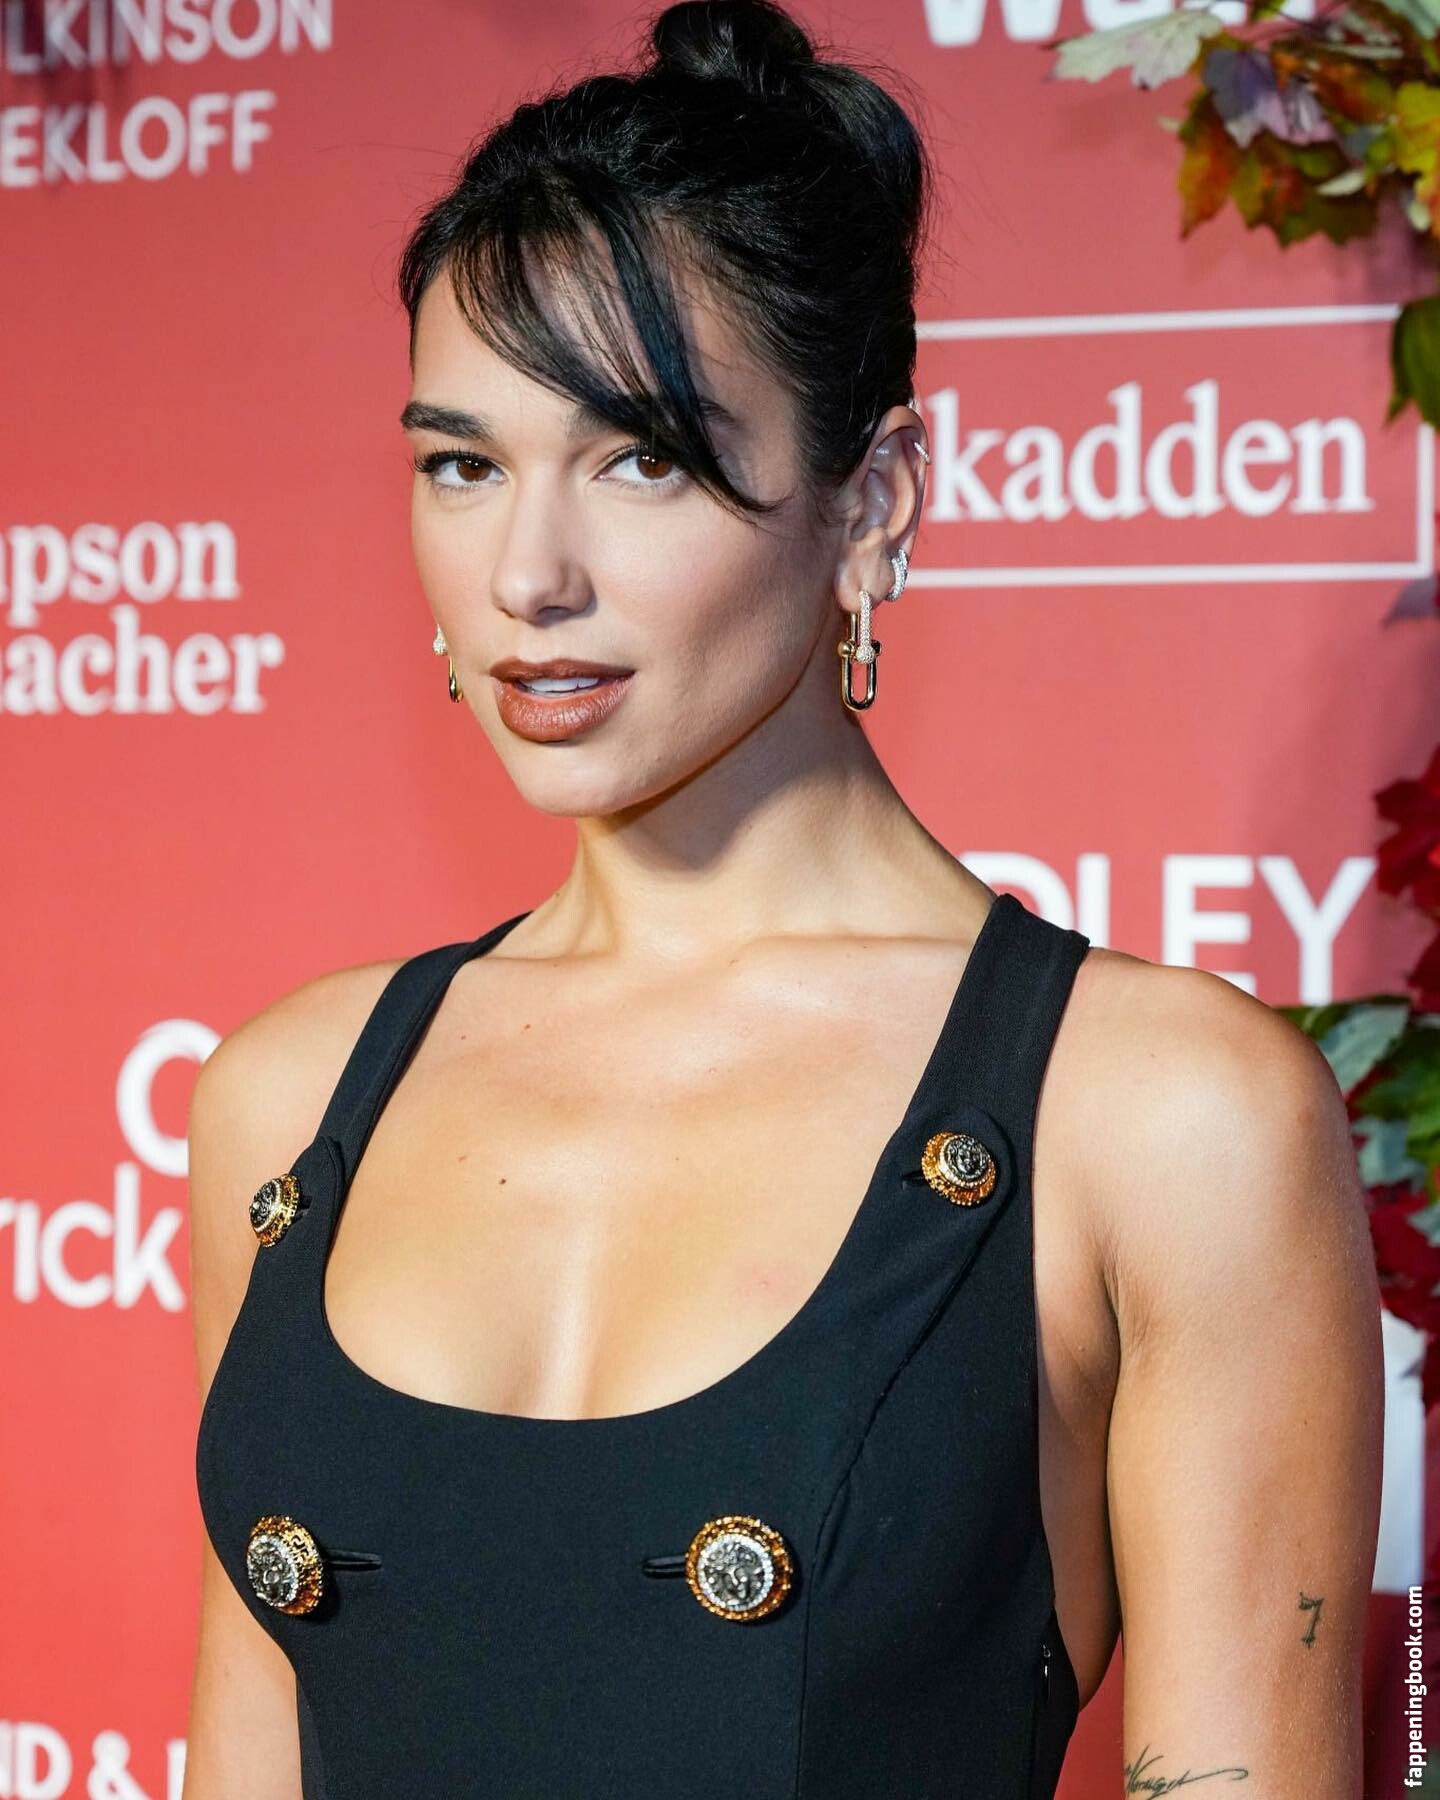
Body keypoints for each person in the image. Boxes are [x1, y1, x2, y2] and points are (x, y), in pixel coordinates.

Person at [180, 2, 1384, 1795]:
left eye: (642, 457)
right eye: (463, 464)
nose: (527, 574)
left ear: (875, 499)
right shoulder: (287, 1096)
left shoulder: (1161, 1116)